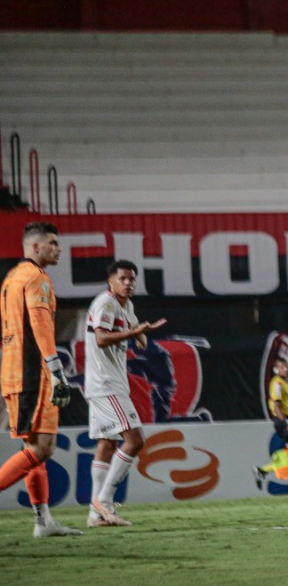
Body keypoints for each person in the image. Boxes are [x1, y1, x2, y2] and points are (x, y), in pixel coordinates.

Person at [0, 222, 80, 537]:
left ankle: (43, 520)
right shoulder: (36, 278)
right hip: (33, 372)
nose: (58, 248)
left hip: (13, 371)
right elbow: (40, 323)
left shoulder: (11, 278)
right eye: (53, 243)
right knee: (43, 448)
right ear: (35, 247)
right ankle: (42, 519)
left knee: (32, 446)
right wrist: (56, 369)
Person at [83, 259, 166, 527]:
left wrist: (143, 332)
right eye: (123, 278)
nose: (129, 283)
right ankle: (104, 502)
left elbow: (140, 342)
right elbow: (101, 338)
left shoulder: (125, 305)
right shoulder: (106, 303)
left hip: (107, 383)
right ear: (111, 281)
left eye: (132, 279)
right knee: (135, 440)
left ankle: (96, 515)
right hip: (106, 384)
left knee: (107, 445)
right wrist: (133, 331)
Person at [253, 357, 288, 494]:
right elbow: (276, 405)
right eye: (282, 367)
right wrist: (286, 423)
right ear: (276, 370)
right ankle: (264, 470)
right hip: (283, 420)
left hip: (286, 419)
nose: (286, 369)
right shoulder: (277, 384)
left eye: (286, 366)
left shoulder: (283, 382)